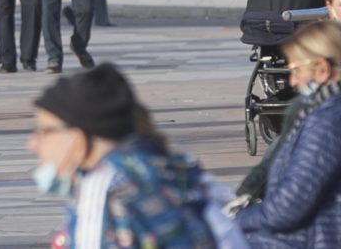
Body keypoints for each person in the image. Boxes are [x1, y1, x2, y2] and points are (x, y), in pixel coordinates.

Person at [235, 20, 341, 249]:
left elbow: (288, 207)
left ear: (322, 69)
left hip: (319, 239)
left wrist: (233, 221)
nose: (292, 82)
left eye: (296, 71)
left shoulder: (332, 120)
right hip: (329, 232)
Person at [28, 64, 216, 248]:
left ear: (77, 138)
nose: (33, 144)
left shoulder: (103, 190)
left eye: (44, 131)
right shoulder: (163, 169)